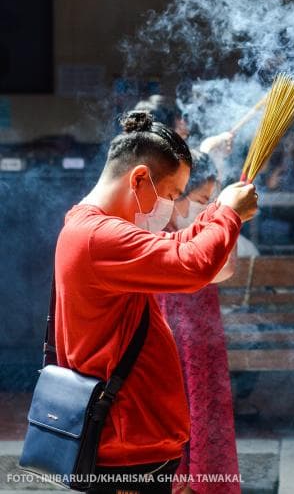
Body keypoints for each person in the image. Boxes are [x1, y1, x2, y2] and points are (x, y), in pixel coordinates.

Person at [54, 111, 258, 494]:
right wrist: (228, 214)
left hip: (134, 437)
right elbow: (191, 265)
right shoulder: (98, 236)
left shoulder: (94, 229)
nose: (168, 207)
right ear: (138, 179)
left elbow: (176, 246)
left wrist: (217, 212)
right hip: (125, 440)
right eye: (169, 195)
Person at [154, 150, 240, 494]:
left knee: (203, 403)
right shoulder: (153, 224)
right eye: (201, 198)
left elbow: (226, 268)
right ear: (177, 193)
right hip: (168, 326)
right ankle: (176, 480)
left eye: (209, 199)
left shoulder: (199, 222)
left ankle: (201, 482)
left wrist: (224, 217)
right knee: (171, 404)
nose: (204, 206)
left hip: (200, 327)